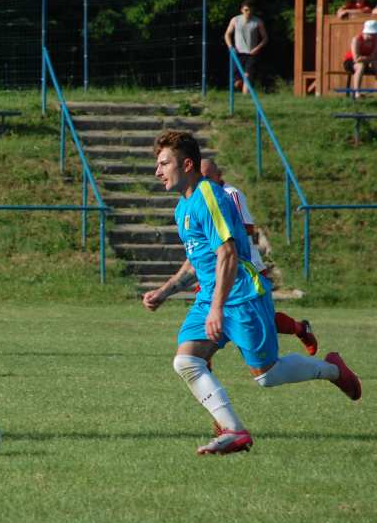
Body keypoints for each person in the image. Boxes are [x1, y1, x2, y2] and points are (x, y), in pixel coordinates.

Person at [143, 131, 361, 456]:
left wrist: (218, 307)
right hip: (212, 298)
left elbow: (228, 253)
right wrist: (165, 291)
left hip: (242, 295)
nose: (158, 171)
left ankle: (332, 369)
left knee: (267, 376)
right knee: (187, 361)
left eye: (164, 164)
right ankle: (234, 431)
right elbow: (196, 261)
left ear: (187, 164)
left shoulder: (209, 197)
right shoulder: (183, 207)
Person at [199, 159, 318, 355]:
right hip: (217, 265)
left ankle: (300, 329)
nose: (203, 182)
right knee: (206, 310)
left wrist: (220, 234)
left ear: (219, 177)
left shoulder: (231, 194)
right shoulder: (200, 197)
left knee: (263, 318)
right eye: (200, 177)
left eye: (207, 177)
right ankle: (200, 358)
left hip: (247, 266)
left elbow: (247, 228)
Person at [224, 0, 268, 95]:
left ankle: (246, 98)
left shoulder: (257, 22)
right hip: (237, 53)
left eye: (250, 10)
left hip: (251, 54)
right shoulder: (235, 20)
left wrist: (257, 48)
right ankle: (245, 88)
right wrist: (231, 47)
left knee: (247, 77)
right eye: (246, 10)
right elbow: (227, 34)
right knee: (237, 83)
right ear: (242, 10)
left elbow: (265, 38)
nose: (248, 12)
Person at [343, 19, 377, 99]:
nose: (372, 36)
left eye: (374, 34)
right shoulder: (357, 39)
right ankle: (357, 92)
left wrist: (367, 59)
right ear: (365, 32)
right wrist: (369, 58)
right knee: (360, 66)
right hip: (350, 62)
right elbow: (356, 59)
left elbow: (374, 56)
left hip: (368, 62)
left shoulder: (376, 40)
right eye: (370, 34)